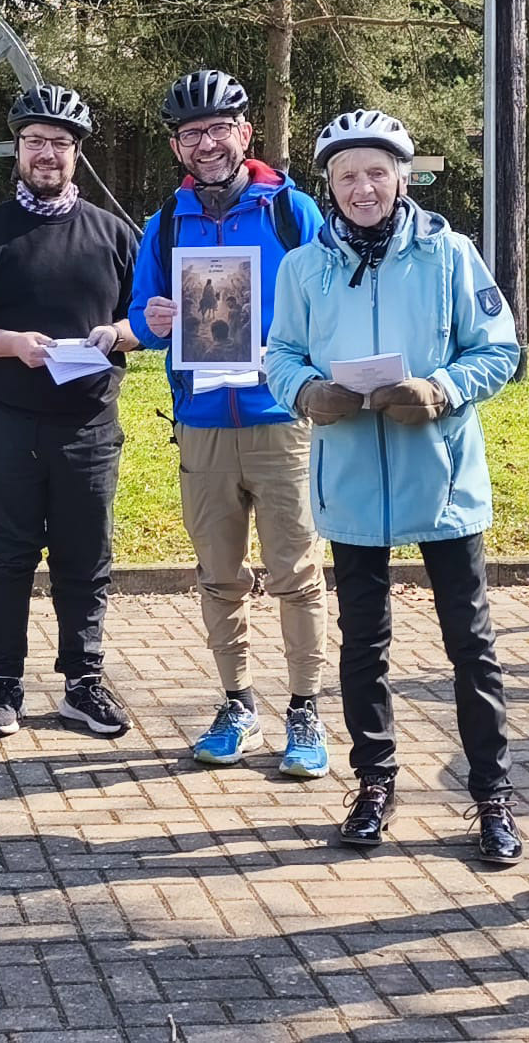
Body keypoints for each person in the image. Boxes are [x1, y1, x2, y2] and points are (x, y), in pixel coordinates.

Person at [264, 109, 524, 863]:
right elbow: (279, 353)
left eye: (377, 172)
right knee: (363, 646)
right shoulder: (302, 268)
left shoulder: (450, 255)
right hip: (349, 479)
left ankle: (493, 796)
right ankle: (374, 783)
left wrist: (441, 389)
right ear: (331, 186)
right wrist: (307, 392)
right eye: (348, 176)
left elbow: (499, 348)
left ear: (403, 178)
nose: (363, 187)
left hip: (440, 480)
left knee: (469, 646)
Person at [127, 69, 331, 777]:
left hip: (282, 420)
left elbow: (335, 294)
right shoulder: (164, 222)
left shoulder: (293, 211)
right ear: (177, 146)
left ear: (246, 134)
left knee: (297, 574)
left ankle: (305, 711)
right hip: (203, 423)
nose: (207, 143)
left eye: (220, 129)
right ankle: (237, 702)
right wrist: (149, 323)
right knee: (218, 575)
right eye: (192, 133)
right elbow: (141, 317)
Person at [0, 82, 141, 740]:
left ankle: (83, 684)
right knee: (8, 556)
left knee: (86, 557)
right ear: (18, 150)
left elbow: (150, 318)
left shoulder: (112, 234)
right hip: (5, 423)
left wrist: (118, 334)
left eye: (60, 144)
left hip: (89, 426)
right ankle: (5, 688)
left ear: (77, 154)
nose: (47, 154)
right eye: (35, 142)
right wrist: (9, 344)